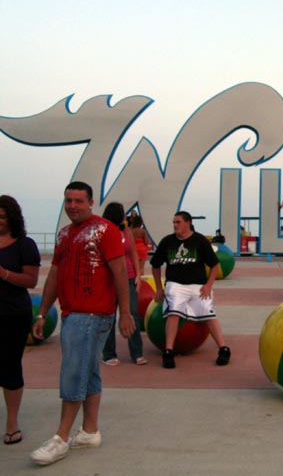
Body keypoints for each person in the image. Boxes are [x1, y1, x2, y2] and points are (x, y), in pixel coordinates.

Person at [30, 182, 135, 466]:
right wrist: (42, 313)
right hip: (70, 312)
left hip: (92, 314)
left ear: (91, 202)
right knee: (88, 372)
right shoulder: (64, 234)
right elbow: (54, 275)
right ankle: (89, 431)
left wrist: (125, 313)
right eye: (68, 200)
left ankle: (61, 437)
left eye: (79, 201)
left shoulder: (106, 231)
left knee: (73, 372)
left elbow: (120, 272)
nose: (73, 206)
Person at [150, 211, 230, 369]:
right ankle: (168, 351)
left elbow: (214, 265)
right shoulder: (167, 241)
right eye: (174, 222)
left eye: (178, 222)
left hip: (198, 285)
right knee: (174, 311)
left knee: (207, 311)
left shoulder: (199, 240)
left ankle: (223, 349)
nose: (175, 225)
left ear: (187, 223)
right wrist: (159, 288)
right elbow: (155, 265)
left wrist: (208, 286)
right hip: (176, 284)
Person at [0, 195, 40, 446]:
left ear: (12, 218)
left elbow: (31, 280)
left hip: (12, 315)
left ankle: (12, 422)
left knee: (9, 366)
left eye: (2, 217)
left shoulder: (25, 244)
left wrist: (3, 273)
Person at [101, 203, 147, 367]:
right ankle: (108, 353)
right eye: (122, 214)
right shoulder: (104, 231)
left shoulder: (126, 230)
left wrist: (138, 275)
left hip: (128, 277)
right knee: (109, 316)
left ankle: (137, 353)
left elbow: (133, 252)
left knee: (132, 313)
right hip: (109, 279)